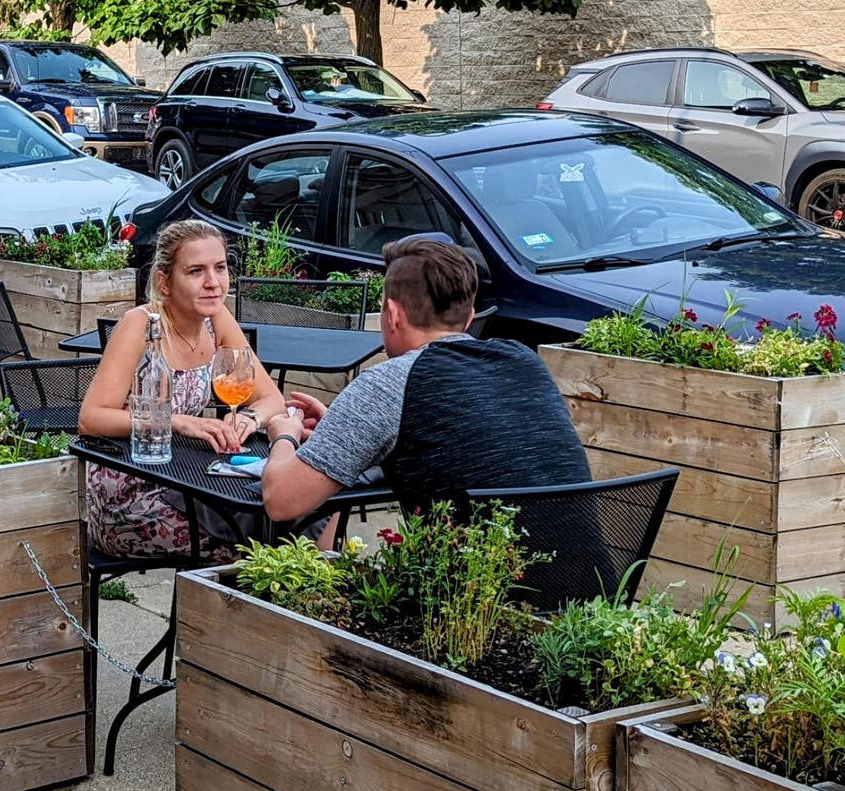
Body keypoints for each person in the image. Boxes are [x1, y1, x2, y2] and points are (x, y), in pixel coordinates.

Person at [259, 235, 588, 525]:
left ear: (392, 314)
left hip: (468, 577)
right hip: (587, 576)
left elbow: (282, 501)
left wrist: (284, 435)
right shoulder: (524, 361)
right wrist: (342, 428)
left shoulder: (387, 384)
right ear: (469, 317)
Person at [78, 218, 291, 557]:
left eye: (220, 268)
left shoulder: (216, 320)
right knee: (256, 542)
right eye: (195, 271)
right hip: (132, 495)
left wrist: (248, 419)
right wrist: (177, 421)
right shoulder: (141, 325)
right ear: (165, 282)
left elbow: (270, 398)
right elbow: (91, 419)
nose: (213, 283)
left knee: (289, 515)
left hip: (189, 479)